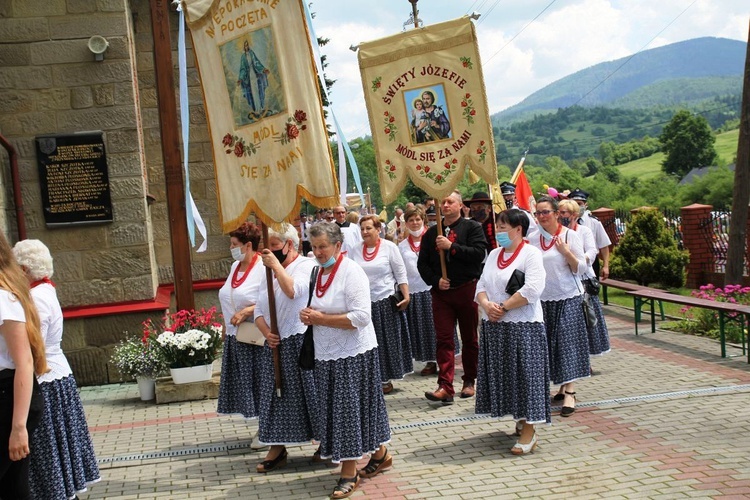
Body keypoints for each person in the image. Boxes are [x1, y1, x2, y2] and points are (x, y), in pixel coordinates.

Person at [301, 223, 392, 499]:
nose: (317, 252)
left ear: (338, 245)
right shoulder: (317, 272)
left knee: (347, 412)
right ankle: (381, 454)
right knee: (351, 409)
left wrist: (321, 319)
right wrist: (308, 315)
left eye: (322, 246)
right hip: (326, 353)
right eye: (314, 247)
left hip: (354, 354)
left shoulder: (352, 272)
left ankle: (349, 472)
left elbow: (361, 317)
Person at [12, 240, 101, 498]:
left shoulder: (37, 298)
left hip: (46, 378)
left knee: (48, 450)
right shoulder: (44, 291)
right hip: (56, 375)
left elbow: (32, 348)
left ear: (25, 269)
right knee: (57, 448)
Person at [475, 209, 550, 454]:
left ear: (518, 229)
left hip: (523, 326)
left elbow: (533, 288)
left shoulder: (531, 254)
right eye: (497, 227)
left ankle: (530, 430)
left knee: (526, 376)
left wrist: (505, 307)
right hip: (496, 327)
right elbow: (482, 284)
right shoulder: (495, 254)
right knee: (509, 376)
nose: (498, 232)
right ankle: (520, 417)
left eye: (503, 227)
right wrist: (487, 305)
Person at [253, 223, 318, 473]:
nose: (268, 252)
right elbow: (259, 307)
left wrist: (276, 266)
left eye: (274, 247)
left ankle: (324, 442)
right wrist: (266, 332)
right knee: (274, 396)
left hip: (300, 341)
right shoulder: (265, 271)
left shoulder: (305, 266)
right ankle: (277, 447)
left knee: (309, 395)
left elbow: (293, 291)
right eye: (265, 248)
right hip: (275, 343)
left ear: (289, 245)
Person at [418, 190, 487, 404]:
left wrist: (452, 247)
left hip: (467, 289)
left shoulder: (472, 227)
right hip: (442, 295)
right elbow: (423, 264)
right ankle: (445, 386)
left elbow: (478, 254)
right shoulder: (431, 233)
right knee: (444, 339)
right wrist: (436, 280)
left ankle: (469, 380)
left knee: (469, 338)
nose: (446, 205)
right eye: (443, 202)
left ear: (460, 206)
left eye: (450, 202)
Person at [528, 196, 590, 417]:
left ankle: (570, 392)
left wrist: (566, 252)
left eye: (546, 212)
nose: (542, 216)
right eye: (538, 213)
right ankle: (560, 385)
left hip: (568, 297)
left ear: (556, 213)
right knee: (548, 344)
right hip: (542, 300)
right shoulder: (533, 238)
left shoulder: (570, 235)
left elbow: (581, 268)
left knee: (566, 342)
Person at [0, 233, 46, 499]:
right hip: (9, 398)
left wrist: (19, 427)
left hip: (9, 400)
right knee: (12, 489)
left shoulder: (4, 298)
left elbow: (24, 363)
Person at [349, 215, 411, 394]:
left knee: (386, 342)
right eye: (362, 229)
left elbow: (400, 273)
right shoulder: (354, 249)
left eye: (369, 228)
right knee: (366, 342)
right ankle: (370, 378)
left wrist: (406, 296)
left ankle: (385, 379)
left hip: (385, 301)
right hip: (363, 303)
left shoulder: (389, 247)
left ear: (378, 229)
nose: (365, 232)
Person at [217, 223, 266, 438]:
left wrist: (248, 310)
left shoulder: (262, 268)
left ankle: (267, 429)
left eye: (234, 244)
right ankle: (262, 426)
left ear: (248, 245)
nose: (231, 248)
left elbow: (271, 300)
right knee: (247, 383)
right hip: (235, 334)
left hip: (255, 335)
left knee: (259, 381)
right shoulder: (234, 267)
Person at [558, 200, 610, 358]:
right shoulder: (557, 233)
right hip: (564, 281)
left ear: (574, 215)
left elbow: (592, 251)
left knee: (587, 319)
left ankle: (587, 356)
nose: (560, 216)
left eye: (563, 213)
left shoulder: (584, 231)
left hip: (584, 280)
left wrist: (578, 260)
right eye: (558, 212)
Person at [398, 207, 439, 376]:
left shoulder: (433, 238)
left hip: (431, 288)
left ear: (424, 221)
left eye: (418, 220)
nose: (415, 223)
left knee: (436, 325)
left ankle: (442, 359)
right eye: (411, 220)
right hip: (414, 290)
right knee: (421, 328)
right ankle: (429, 360)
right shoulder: (401, 245)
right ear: (406, 223)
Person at [569, 188, 611, 279]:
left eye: (579, 203)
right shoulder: (564, 222)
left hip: (590, 262)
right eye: (574, 203)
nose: (576, 206)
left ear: (585, 205)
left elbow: (603, 245)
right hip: (571, 261)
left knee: (591, 290)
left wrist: (606, 266)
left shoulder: (594, 222)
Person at [238, 38, 270, 115]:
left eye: (247, 45)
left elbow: (256, 62)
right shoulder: (243, 57)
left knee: (258, 91)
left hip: (254, 74)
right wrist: (240, 78)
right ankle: (257, 109)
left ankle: (260, 108)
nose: (246, 47)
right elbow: (243, 69)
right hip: (249, 76)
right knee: (253, 92)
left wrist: (263, 69)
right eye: (245, 46)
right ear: (243, 47)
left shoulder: (251, 53)